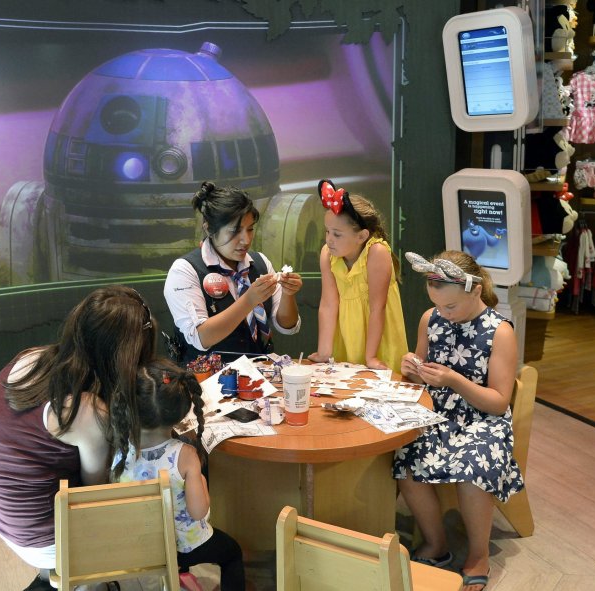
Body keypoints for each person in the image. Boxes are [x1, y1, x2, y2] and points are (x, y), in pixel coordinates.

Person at [0, 286, 156, 591]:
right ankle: (83, 580)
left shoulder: (33, 357)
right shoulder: (87, 411)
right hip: (39, 535)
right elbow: (94, 492)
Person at [394, 251, 524, 591]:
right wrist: (411, 369)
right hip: (438, 414)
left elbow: (498, 403)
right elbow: (420, 378)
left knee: (472, 468)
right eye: (437, 305)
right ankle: (437, 544)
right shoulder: (431, 319)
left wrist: (453, 380)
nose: (443, 313)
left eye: (450, 307)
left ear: (475, 291)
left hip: (483, 419)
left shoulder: (500, 331)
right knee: (405, 458)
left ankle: (478, 554)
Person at [113, 358, 245, 591]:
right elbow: (198, 511)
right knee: (232, 553)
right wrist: (202, 482)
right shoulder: (185, 454)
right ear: (181, 414)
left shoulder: (121, 452)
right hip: (184, 547)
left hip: (142, 549)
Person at [164, 181, 303, 364]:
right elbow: (201, 337)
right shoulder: (185, 270)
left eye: (250, 229)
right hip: (205, 383)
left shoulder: (260, 263)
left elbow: (287, 326)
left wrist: (288, 294)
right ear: (209, 229)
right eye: (235, 231)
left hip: (260, 377)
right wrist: (249, 300)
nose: (246, 239)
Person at [308, 179, 408, 370]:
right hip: (347, 334)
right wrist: (324, 351)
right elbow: (329, 304)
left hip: (377, 338)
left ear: (361, 236)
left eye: (337, 234)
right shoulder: (327, 255)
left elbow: (377, 308)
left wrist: (371, 357)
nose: (329, 239)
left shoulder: (377, 253)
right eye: (327, 231)